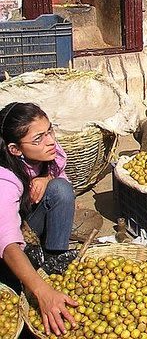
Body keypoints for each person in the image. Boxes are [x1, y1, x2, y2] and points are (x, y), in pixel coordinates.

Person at [0, 102, 77, 336]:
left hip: (26, 222)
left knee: (60, 189)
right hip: (8, 235)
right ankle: (32, 276)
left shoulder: (48, 150)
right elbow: (7, 242)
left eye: (49, 131)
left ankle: (53, 260)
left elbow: (61, 177)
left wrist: (47, 178)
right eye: (38, 138)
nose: (50, 140)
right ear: (15, 149)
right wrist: (41, 291)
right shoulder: (5, 180)